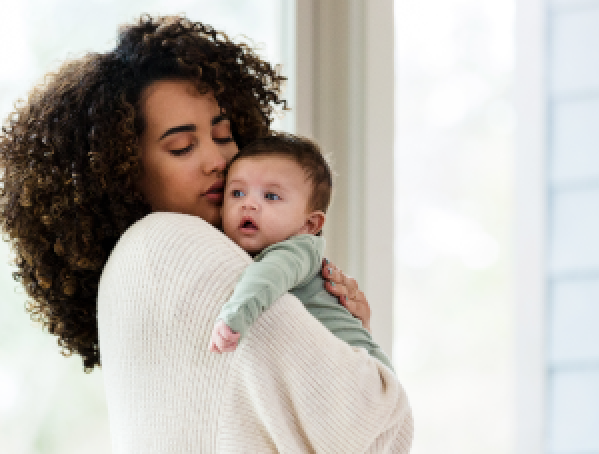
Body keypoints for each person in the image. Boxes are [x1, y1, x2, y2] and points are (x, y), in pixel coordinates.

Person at [0, 14, 412, 453]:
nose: (218, 160)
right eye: (182, 147)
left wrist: (340, 327)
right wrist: (358, 353)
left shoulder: (137, 266)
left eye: (223, 134)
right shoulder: (173, 244)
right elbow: (377, 424)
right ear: (120, 172)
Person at [208, 134, 393, 371]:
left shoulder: (297, 250)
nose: (249, 204)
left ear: (309, 225)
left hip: (366, 374)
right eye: (237, 193)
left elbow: (267, 277)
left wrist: (232, 320)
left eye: (271, 196)